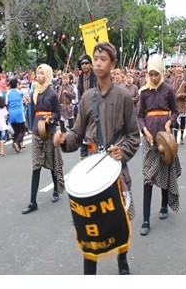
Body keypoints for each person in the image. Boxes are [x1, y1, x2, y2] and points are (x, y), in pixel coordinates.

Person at [53, 42, 141, 275]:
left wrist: (123, 152)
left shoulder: (123, 96)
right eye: (96, 58)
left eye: (103, 59)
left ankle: (122, 259)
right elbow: (76, 134)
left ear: (113, 64)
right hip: (91, 167)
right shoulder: (86, 97)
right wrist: (63, 139)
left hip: (114, 167)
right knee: (89, 225)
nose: (98, 62)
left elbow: (134, 135)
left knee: (119, 218)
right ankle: (89, 272)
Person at [136, 54, 182, 236]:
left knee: (164, 172)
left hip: (165, 138)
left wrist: (170, 122)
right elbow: (140, 116)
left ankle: (164, 204)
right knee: (148, 177)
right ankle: (146, 219)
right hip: (149, 140)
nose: (153, 78)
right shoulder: (143, 92)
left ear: (161, 73)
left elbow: (175, 111)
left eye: (156, 74)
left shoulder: (168, 90)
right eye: (151, 74)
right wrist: (145, 132)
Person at [22, 63, 64, 214]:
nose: (39, 76)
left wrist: (51, 119)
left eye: (42, 73)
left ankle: (55, 190)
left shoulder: (52, 93)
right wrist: (30, 125)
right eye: (37, 73)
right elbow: (31, 113)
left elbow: (58, 113)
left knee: (52, 162)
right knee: (36, 165)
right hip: (36, 131)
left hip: (50, 132)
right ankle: (33, 201)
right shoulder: (33, 92)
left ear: (47, 75)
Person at [5, 77, 27, 152]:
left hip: (11, 113)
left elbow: (6, 103)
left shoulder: (8, 93)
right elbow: (25, 98)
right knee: (22, 130)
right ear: (17, 84)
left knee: (15, 130)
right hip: (19, 113)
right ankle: (17, 142)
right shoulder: (19, 92)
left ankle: (17, 147)